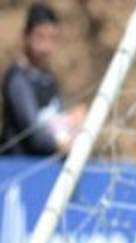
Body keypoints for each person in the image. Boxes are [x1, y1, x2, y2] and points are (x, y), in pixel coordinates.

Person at [0, 3, 86, 157]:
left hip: (47, 167)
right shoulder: (18, 79)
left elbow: (54, 119)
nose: (45, 47)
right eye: (40, 37)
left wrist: (72, 122)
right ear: (26, 36)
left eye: (52, 38)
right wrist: (63, 146)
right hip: (18, 168)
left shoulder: (48, 78)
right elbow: (33, 134)